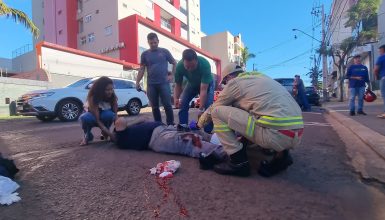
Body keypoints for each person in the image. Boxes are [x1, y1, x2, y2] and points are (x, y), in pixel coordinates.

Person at [197, 63, 304, 177]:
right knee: (266, 115)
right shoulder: (261, 78)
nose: (224, 86)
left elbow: (214, 107)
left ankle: (238, 162)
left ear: (229, 77)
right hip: (297, 134)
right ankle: (282, 156)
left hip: (274, 135)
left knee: (217, 112)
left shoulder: (234, 83)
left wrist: (199, 125)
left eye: (224, 82)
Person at [113, 117, 226, 163]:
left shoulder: (124, 132)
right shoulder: (121, 138)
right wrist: (110, 131)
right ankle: (227, 154)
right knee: (191, 140)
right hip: (156, 138)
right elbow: (120, 120)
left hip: (165, 128)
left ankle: (228, 143)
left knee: (196, 130)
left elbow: (144, 118)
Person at [136, 33, 176, 125]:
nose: (153, 44)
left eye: (155, 42)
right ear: (148, 43)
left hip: (164, 83)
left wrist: (172, 75)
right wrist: (137, 82)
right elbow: (142, 69)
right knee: (154, 107)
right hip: (151, 85)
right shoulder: (145, 54)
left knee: (167, 105)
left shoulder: (164, 51)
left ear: (158, 41)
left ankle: (171, 124)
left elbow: (174, 62)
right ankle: (158, 124)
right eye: (151, 43)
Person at [174, 49, 214, 133]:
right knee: (183, 102)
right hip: (192, 83)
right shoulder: (179, 67)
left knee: (208, 108)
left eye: (192, 66)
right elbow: (178, 85)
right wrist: (176, 98)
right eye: (187, 67)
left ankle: (208, 132)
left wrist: (201, 109)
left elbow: (203, 90)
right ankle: (183, 126)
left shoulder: (205, 65)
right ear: (183, 61)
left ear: (196, 60)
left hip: (207, 84)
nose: (190, 69)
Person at [79, 76, 117, 146]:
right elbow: (97, 120)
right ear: (100, 90)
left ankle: (105, 132)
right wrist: (111, 135)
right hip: (92, 115)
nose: (110, 92)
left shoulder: (112, 96)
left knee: (110, 115)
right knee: (85, 118)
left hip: (104, 115)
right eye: (107, 90)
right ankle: (87, 135)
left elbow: (115, 117)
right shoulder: (93, 97)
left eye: (111, 89)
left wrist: (116, 131)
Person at [374, 44, 385, 118]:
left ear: (382, 50)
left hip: (384, 78)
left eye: (379, 51)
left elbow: (375, 69)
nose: (379, 52)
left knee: (384, 95)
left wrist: (376, 76)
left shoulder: (381, 57)